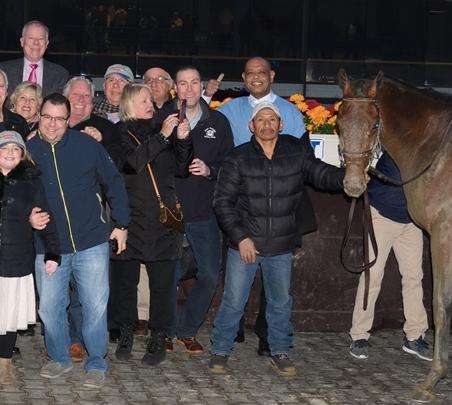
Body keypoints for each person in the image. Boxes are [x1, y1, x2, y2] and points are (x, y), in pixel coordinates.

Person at [207, 107, 347, 377]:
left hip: (281, 245)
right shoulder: (237, 158)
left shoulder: (296, 154)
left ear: (281, 125)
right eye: (261, 119)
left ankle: (280, 351)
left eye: (272, 119)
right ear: (251, 126)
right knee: (234, 301)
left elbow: (322, 174)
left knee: (280, 302)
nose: (267, 124)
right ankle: (221, 350)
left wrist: (348, 177)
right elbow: (222, 203)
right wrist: (241, 237)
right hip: (245, 244)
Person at [30, 94, 130, 383]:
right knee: (49, 307)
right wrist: (27, 218)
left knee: (95, 305)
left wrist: (121, 223)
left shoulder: (87, 146)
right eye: (47, 116)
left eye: (59, 119)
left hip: (91, 241)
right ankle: (60, 356)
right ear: (39, 115)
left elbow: (114, 181)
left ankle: (97, 361)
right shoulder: (26, 150)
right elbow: (17, 195)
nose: (52, 124)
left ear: (68, 120)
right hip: (48, 246)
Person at [108, 83, 190, 366]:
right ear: (129, 104)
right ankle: (126, 332)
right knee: (126, 283)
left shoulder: (161, 131)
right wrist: (164, 137)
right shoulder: (120, 133)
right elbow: (131, 164)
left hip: (164, 219)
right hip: (131, 218)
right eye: (143, 100)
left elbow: (181, 168)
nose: (150, 103)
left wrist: (182, 139)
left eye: (150, 100)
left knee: (163, 284)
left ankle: (159, 337)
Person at [0, 131, 56, 385]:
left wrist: (52, 251)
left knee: (9, 311)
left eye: (16, 149)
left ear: (23, 155)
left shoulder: (31, 182)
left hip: (15, 259)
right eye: (4, 148)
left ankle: (5, 361)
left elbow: (45, 216)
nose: (10, 153)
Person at [168, 67, 234, 356]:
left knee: (209, 274)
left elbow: (229, 167)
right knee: (167, 275)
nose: (189, 88)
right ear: (176, 88)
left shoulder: (218, 122)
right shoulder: (163, 120)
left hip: (204, 213)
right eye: (183, 83)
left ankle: (187, 331)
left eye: (195, 82)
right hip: (169, 213)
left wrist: (210, 171)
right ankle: (166, 331)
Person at [346, 151, 431, 364]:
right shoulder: (397, 144)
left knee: (414, 277)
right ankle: (359, 335)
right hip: (382, 214)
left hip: (412, 219)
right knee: (372, 276)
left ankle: (415, 334)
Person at [219, 57, 304, 144]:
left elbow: (304, 150)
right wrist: (207, 96)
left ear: (271, 76)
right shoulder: (229, 109)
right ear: (244, 77)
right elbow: (206, 127)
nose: (255, 77)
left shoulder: (291, 111)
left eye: (261, 72)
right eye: (250, 73)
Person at [0, 20, 69, 95]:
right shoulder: (4, 70)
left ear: (47, 44)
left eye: (41, 39)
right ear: (22, 42)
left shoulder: (60, 74)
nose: (36, 43)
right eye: (31, 38)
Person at [64, 76, 111, 142]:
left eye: (86, 95)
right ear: (65, 99)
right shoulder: (54, 124)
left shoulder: (106, 128)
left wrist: (100, 141)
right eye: (75, 94)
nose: (81, 99)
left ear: (92, 102)